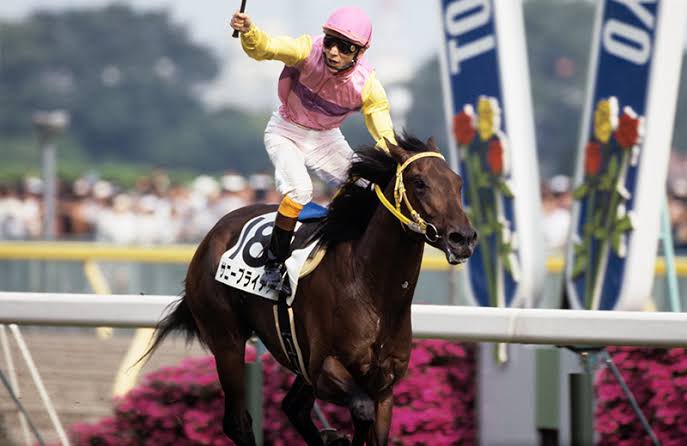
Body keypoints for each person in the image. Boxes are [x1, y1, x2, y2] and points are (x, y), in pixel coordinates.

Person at [230, 6, 397, 292]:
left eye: (345, 47)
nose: (333, 52)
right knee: (300, 191)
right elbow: (266, 47)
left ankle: (337, 243)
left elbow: (383, 131)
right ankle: (273, 264)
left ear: (360, 52)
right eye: (330, 42)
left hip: (326, 138)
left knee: (366, 186)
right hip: (286, 131)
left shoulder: (367, 84)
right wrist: (249, 31)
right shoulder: (307, 50)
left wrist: (396, 156)